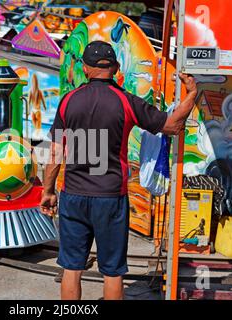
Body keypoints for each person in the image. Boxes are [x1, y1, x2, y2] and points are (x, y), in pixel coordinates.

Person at [40, 40, 197, 300]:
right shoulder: (125, 101)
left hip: (74, 195)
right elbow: (171, 126)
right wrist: (191, 94)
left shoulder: (68, 101)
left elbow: (55, 151)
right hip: (110, 197)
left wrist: (47, 191)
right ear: (115, 67)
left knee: (71, 268)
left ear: (86, 68)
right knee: (112, 272)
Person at [28, 73, 47, 141]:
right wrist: (45, 108)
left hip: (33, 111)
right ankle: (38, 139)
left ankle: (36, 139)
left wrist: (27, 111)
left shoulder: (30, 91)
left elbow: (28, 102)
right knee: (38, 128)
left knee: (36, 128)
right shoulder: (39, 91)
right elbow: (43, 101)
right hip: (38, 111)